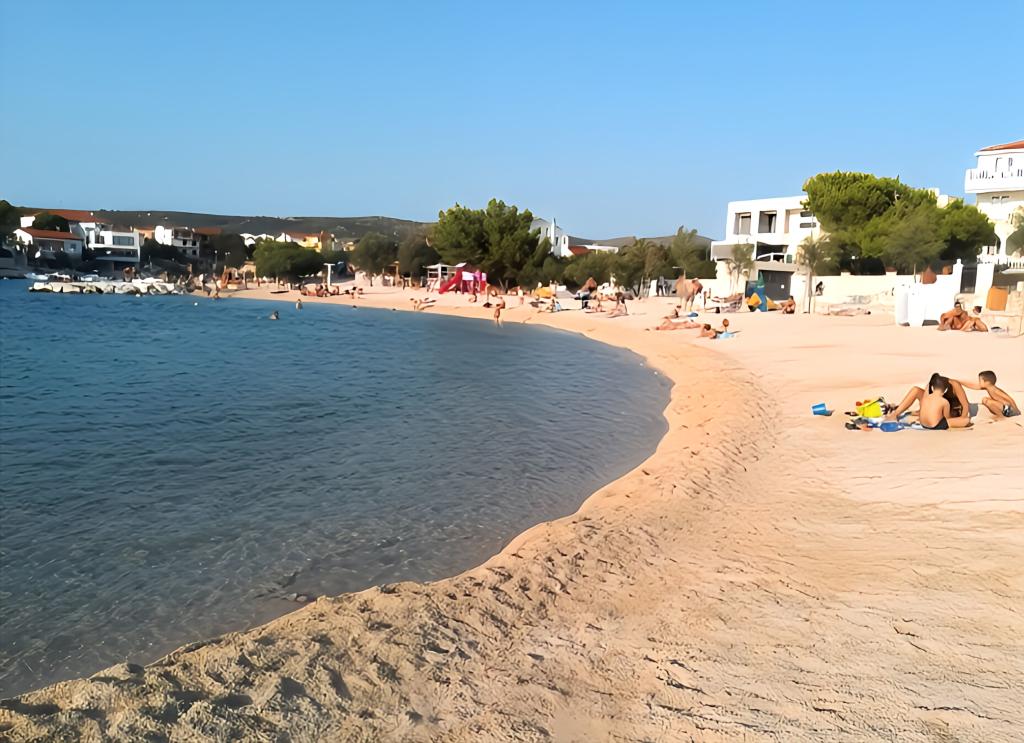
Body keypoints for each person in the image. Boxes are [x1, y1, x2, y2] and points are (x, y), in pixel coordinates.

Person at [886, 374, 971, 429]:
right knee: (915, 390)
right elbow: (925, 400)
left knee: (962, 419)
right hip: (939, 411)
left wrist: (962, 418)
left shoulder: (954, 385)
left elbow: (965, 405)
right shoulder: (932, 385)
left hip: (951, 410)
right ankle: (895, 414)